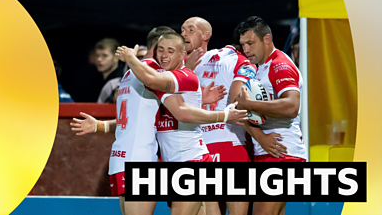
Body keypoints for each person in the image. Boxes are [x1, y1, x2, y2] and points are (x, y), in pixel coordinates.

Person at [72, 28, 247, 215]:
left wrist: (210, 107)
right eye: (162, 49)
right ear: (156, 48)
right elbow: (165, 110)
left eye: (170, 51)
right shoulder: (152, 73)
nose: (164, 55)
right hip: (149, 159)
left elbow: (179, 111)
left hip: (181, 160)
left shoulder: (132, 75)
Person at [182, 17, 287, 215]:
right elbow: (238, 100)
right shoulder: (243, 61)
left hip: (200, 146)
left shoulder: (190, 64)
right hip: (231, 144)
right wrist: (260, 136)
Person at [235, 16, 307, 215]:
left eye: (250, 43)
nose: (246, 49)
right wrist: (259, 136)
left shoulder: (280, 64)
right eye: (243, 45)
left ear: (267, 39)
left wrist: (248, 103)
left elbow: (292, 105)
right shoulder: (260, 68)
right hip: (271, 153)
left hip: (282, 153)